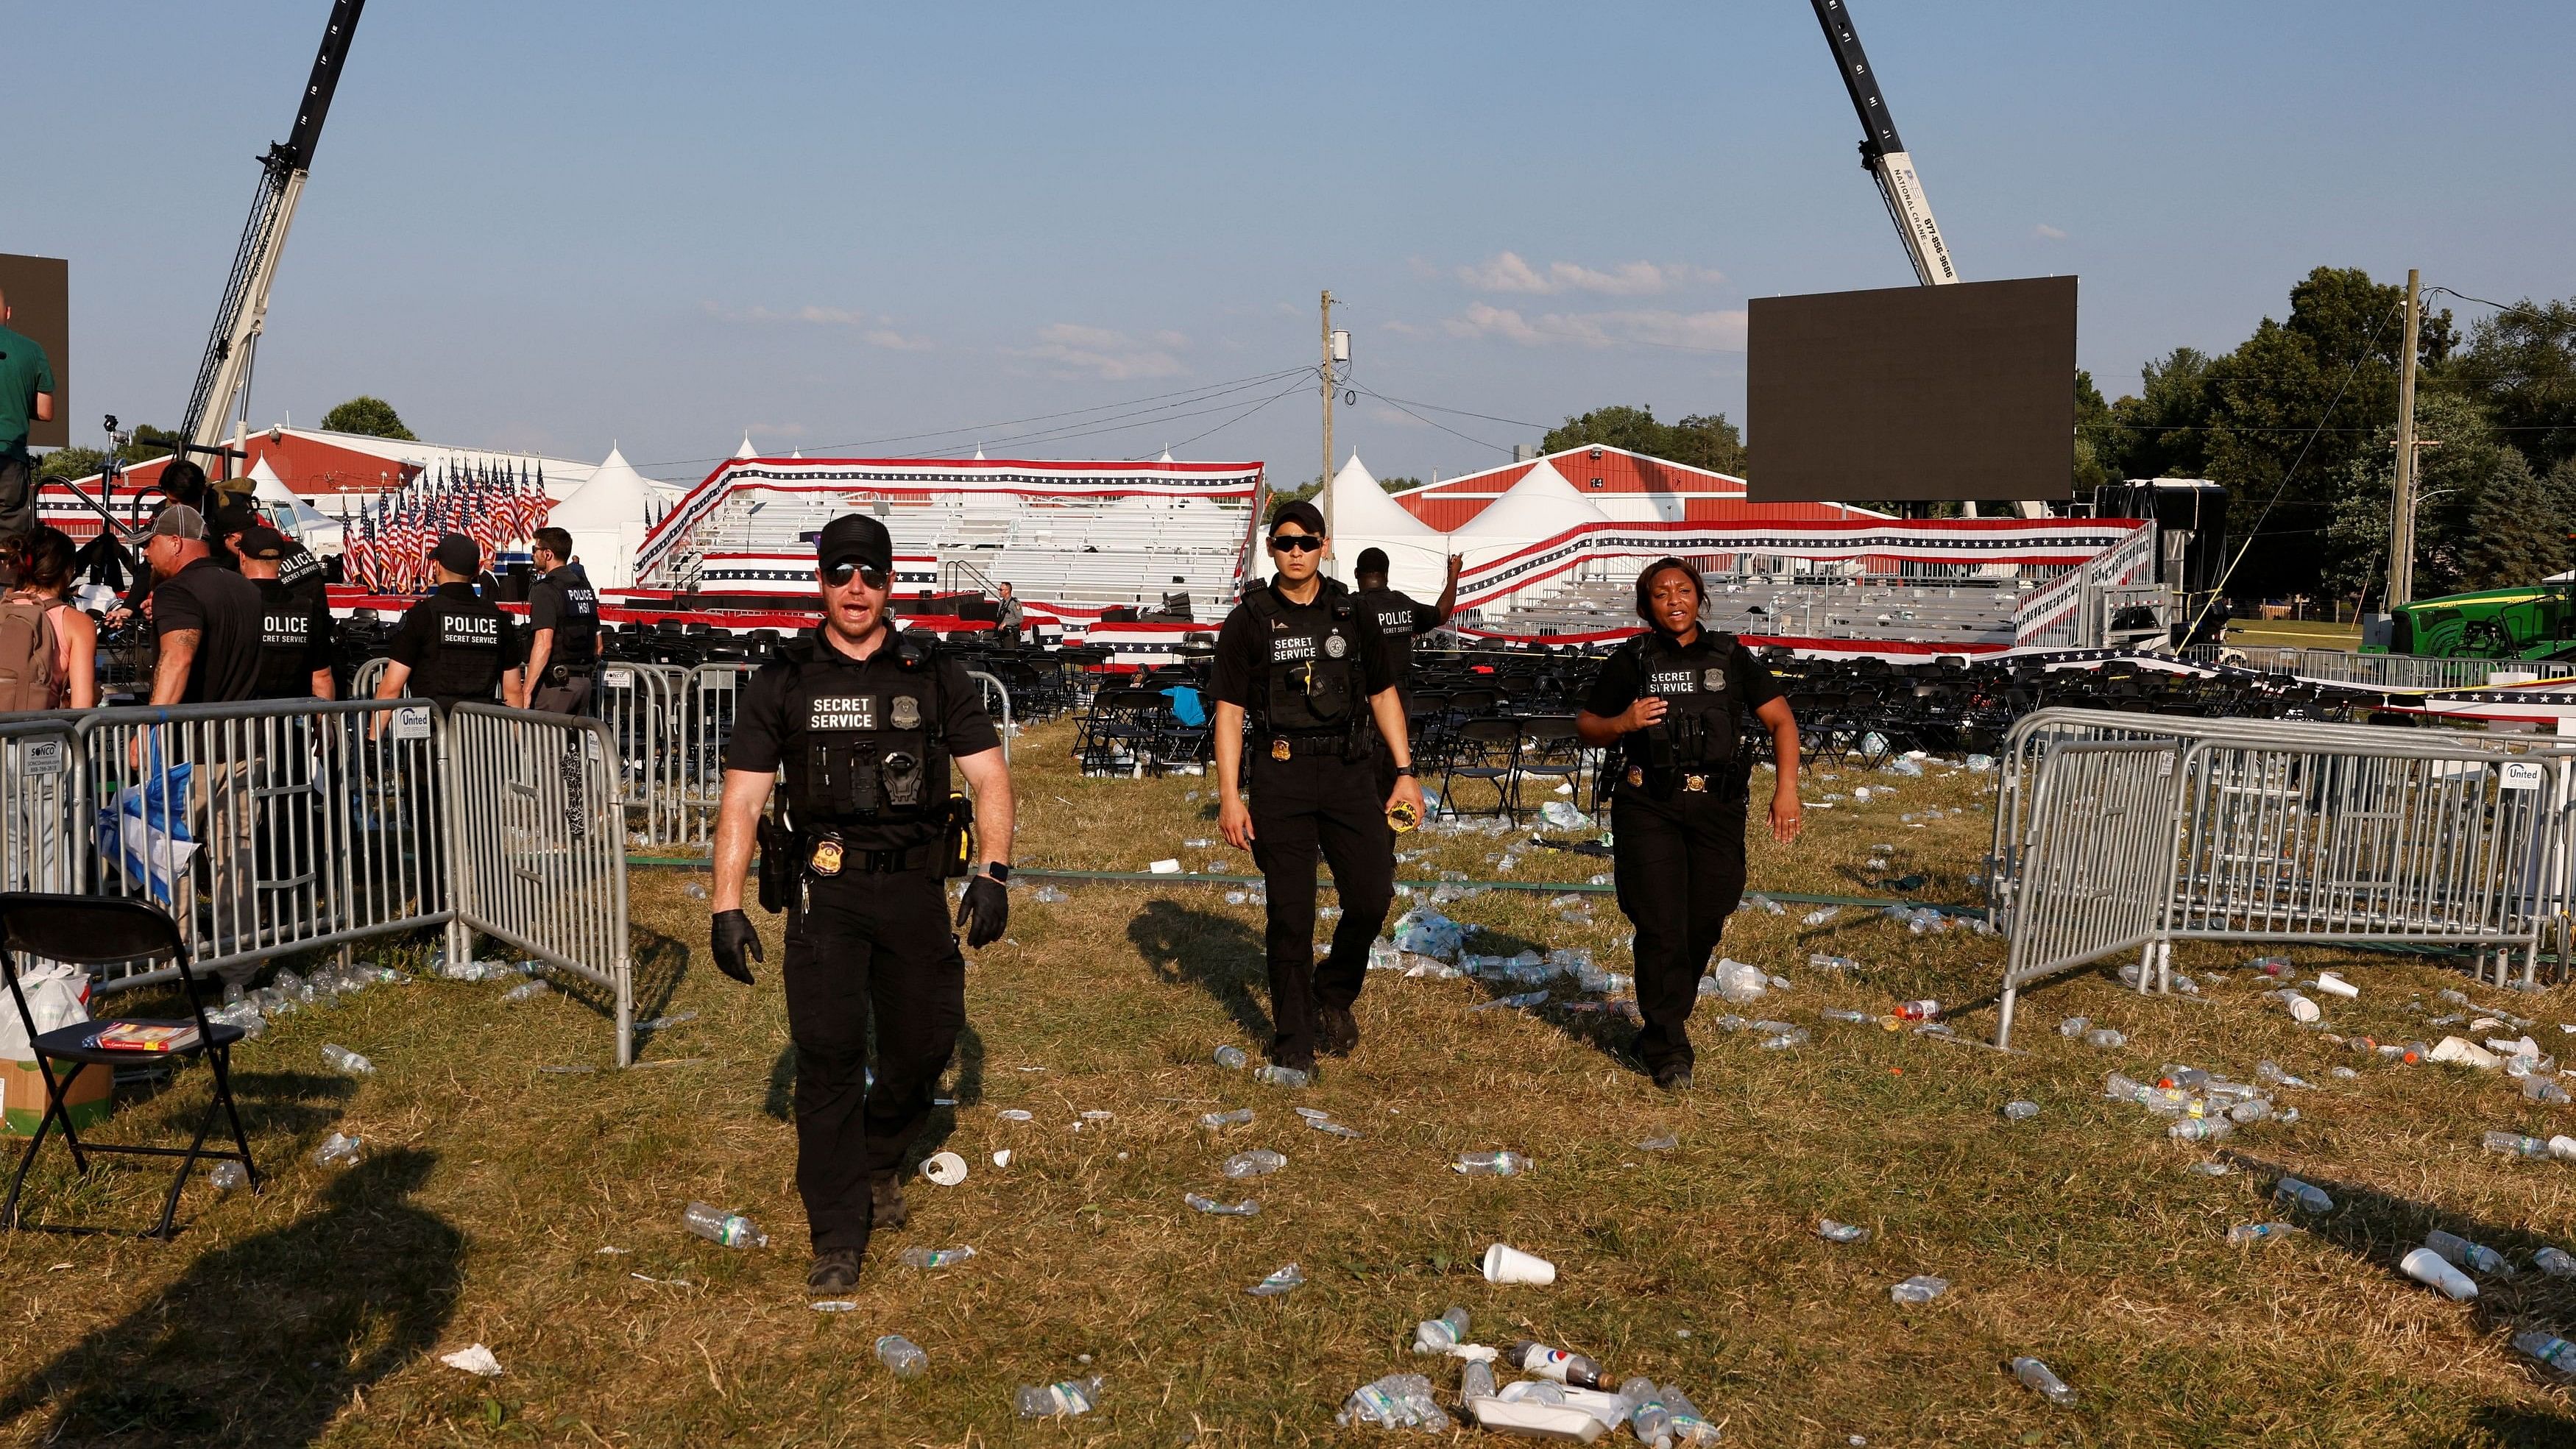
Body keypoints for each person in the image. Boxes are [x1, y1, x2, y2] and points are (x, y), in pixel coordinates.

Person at [706, 511, 1016, 1295]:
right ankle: (837, 1233)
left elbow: (987, 776)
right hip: (825, 889)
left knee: (923, 1043)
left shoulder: (930, 671)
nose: (855, 588)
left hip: (915, 888)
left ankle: (879, 1157)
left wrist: (993, 871)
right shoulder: (783, 677)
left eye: (870, 574)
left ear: (888, 583)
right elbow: (743, 801)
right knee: (829, 1056)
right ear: (820, 581)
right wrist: (725, 906)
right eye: (841, 572)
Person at [1210, 500, 1426, 1076]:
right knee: (1291, 913)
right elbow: (1229, 712)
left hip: (1351, 770)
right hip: (1280, 773)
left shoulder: (1353, 614)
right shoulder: (1249, 619)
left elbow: (1383, 695)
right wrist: (1230, 795)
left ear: (1325, 545)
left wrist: (1405, 773)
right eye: (1284, 542)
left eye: (1306, 541)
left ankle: (1333, 989)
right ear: (1271, 548)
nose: (1296, 551)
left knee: (1372, 893)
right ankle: (1295, 1041)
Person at [1575, 557, 1803, 1091]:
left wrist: (1786, 789)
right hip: (1648, 803)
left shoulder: (1730, 655)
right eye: (1660, 593)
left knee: (1708, 912)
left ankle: (1661, 1018)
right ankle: (1669, 1043)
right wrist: (1623, 722)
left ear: (1699, 597)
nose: (1673, 600)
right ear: (1646, 604)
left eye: (1682, 589)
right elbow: (1587, 725)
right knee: (1660, 922)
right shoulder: (1632, 659)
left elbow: (1780, 719)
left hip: (1718, 806)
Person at [1351, 546, 1462, 796]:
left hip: (1366, 697)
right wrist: (1454, 574)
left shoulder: (1354, 607)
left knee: (1365, 765)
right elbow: (1442, 615)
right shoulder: (1403, 604)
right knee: (1393, 762)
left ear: (1357, 573)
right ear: (1387, 575)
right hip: (1402, 696)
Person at [373, 534, 526, 713]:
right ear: (477, 570)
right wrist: (518, 739)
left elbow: (391, 688)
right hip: (482, 730)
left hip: (432, 730)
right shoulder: (499, 618)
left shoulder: (421, 615)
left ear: (437, 567)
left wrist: (372, 739)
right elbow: (514, 691)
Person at [144, 506, 263, 707]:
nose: (145, 552)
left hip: (196, 732)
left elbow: (176, 661)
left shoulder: (176, 591)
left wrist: (150, 729)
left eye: (150, 543)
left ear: (175, 543)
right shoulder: (247, 587)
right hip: (248, 731)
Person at [0, 526, 97, 710]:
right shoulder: (77, 623)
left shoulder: (3, 609)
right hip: (43, 733)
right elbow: (82, 706)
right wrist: (95, 697)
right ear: (67, 570)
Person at [234, 525, 335, 701]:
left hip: (242, 720)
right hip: (293, 719)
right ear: (281, 559)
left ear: (243, 557)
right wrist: (322, 725)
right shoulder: (307, 608)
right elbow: (322, 678)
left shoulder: (233, 605)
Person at [0, 286, 57, 550]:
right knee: (11, 545)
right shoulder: (32, 351)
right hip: (11, 460)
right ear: (8, 313)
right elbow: (45, 412)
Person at [523, 526, 601, 715]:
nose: (533, 555)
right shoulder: (584, 588)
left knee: (544, 744)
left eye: (536, 550)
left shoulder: (546, 590)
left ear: (548, 554)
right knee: (574, 744)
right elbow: (599, 646)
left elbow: (543, 643)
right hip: (583, 684)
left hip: (555, 686)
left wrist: (527, 690)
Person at [994, 581, 1025, 645]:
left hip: (1010, 635)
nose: (999, 591)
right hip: (1002, 634)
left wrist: (1006, 623)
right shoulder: (1002, 603)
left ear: (1007, 591)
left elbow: (1020, 619)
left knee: (1009, 654)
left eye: (1001, 590)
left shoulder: (1015, 603)